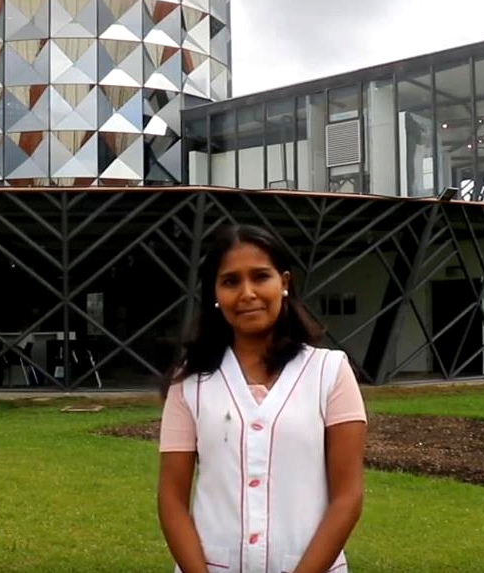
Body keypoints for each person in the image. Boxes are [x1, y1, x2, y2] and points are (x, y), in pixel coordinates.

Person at [157, 224, 367, 573]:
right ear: (215, 293)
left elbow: (347, 497)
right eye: (231, 281)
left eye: (260, 277)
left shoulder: (330, 373)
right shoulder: (190, 382)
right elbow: (171, 499)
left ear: (284, 282)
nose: (247, 293)